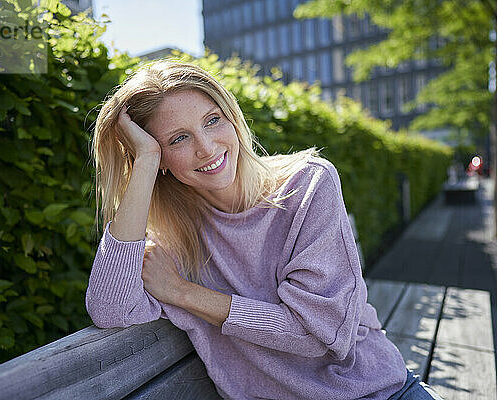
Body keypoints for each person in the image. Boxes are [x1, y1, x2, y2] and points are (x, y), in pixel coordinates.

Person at [86, 60, 443, 400]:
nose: (207, 148)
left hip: (375, 392)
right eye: (178, 139)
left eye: (213, 120)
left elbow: (320, 332)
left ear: (233, 117)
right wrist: (144, 161)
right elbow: (110, 308)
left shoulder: (307, 185)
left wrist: (183, 293)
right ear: (161, 159)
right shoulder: (174, 239)